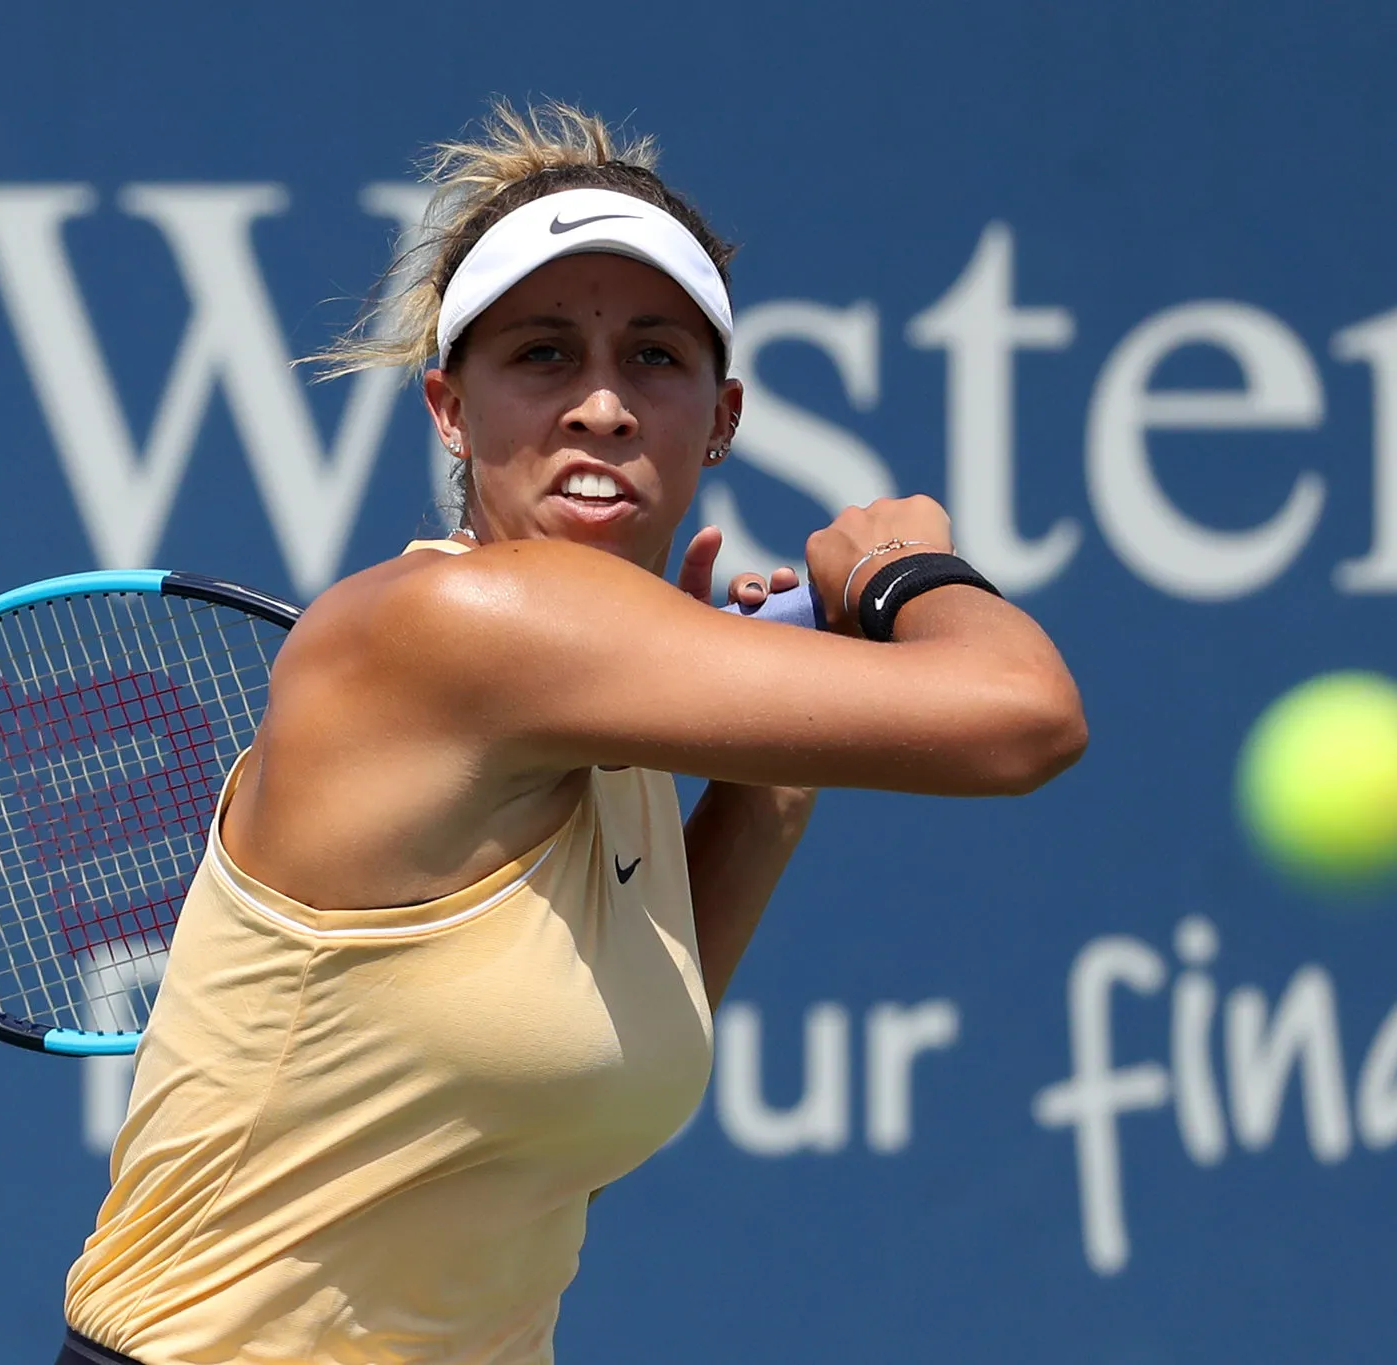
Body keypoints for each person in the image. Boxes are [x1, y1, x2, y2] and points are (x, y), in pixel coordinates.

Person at [57, 102, 1086, 1365]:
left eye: (653, 357)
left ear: (720, 417)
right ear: (448, 408)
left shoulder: (618, 670)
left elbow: (555, 1129)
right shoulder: (463, 627)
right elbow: (1025, 720)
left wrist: (768, 782)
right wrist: (899, 574)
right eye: (543, 354)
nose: (600, 405)